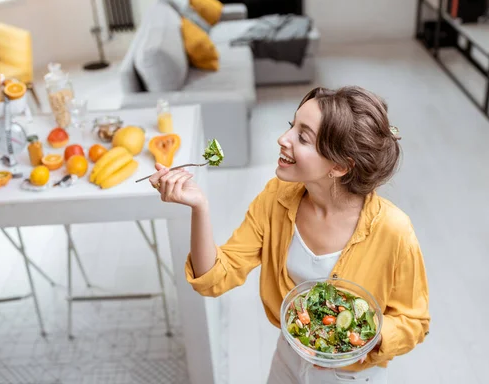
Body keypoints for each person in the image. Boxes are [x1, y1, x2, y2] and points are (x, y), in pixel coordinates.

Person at [148, 86, 430, 384]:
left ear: (339, 166)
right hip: (288, 359)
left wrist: (369, 339)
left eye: (303, 136)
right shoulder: (276, 197)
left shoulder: (393, 230)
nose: (283, 139)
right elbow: (215, 277)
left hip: (351, 376)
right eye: (290, 126)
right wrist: (199, 207)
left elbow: (415, 321)